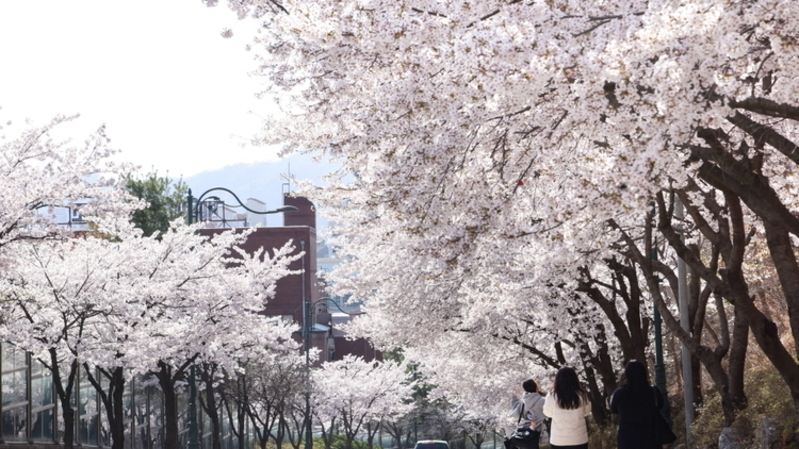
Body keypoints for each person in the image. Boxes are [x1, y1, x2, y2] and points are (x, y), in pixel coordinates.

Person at [609, 360, 665, 449]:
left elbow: (613, 409)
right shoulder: (653, 391)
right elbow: (660, 405)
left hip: (627, 436)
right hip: (650, 434)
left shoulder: (620, 393)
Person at [543, 367, 591, 449]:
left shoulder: (552, 396)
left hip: (558, 439)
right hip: (579, 438)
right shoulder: (582, 395)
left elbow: (547, 413)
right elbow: (587, 412)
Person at [506, 379, 546, 449]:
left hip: (528, 435)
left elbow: (515, 414)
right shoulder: (543, 401)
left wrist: (514, 398)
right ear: (536, 387)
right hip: (542, 433)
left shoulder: (523, 402)